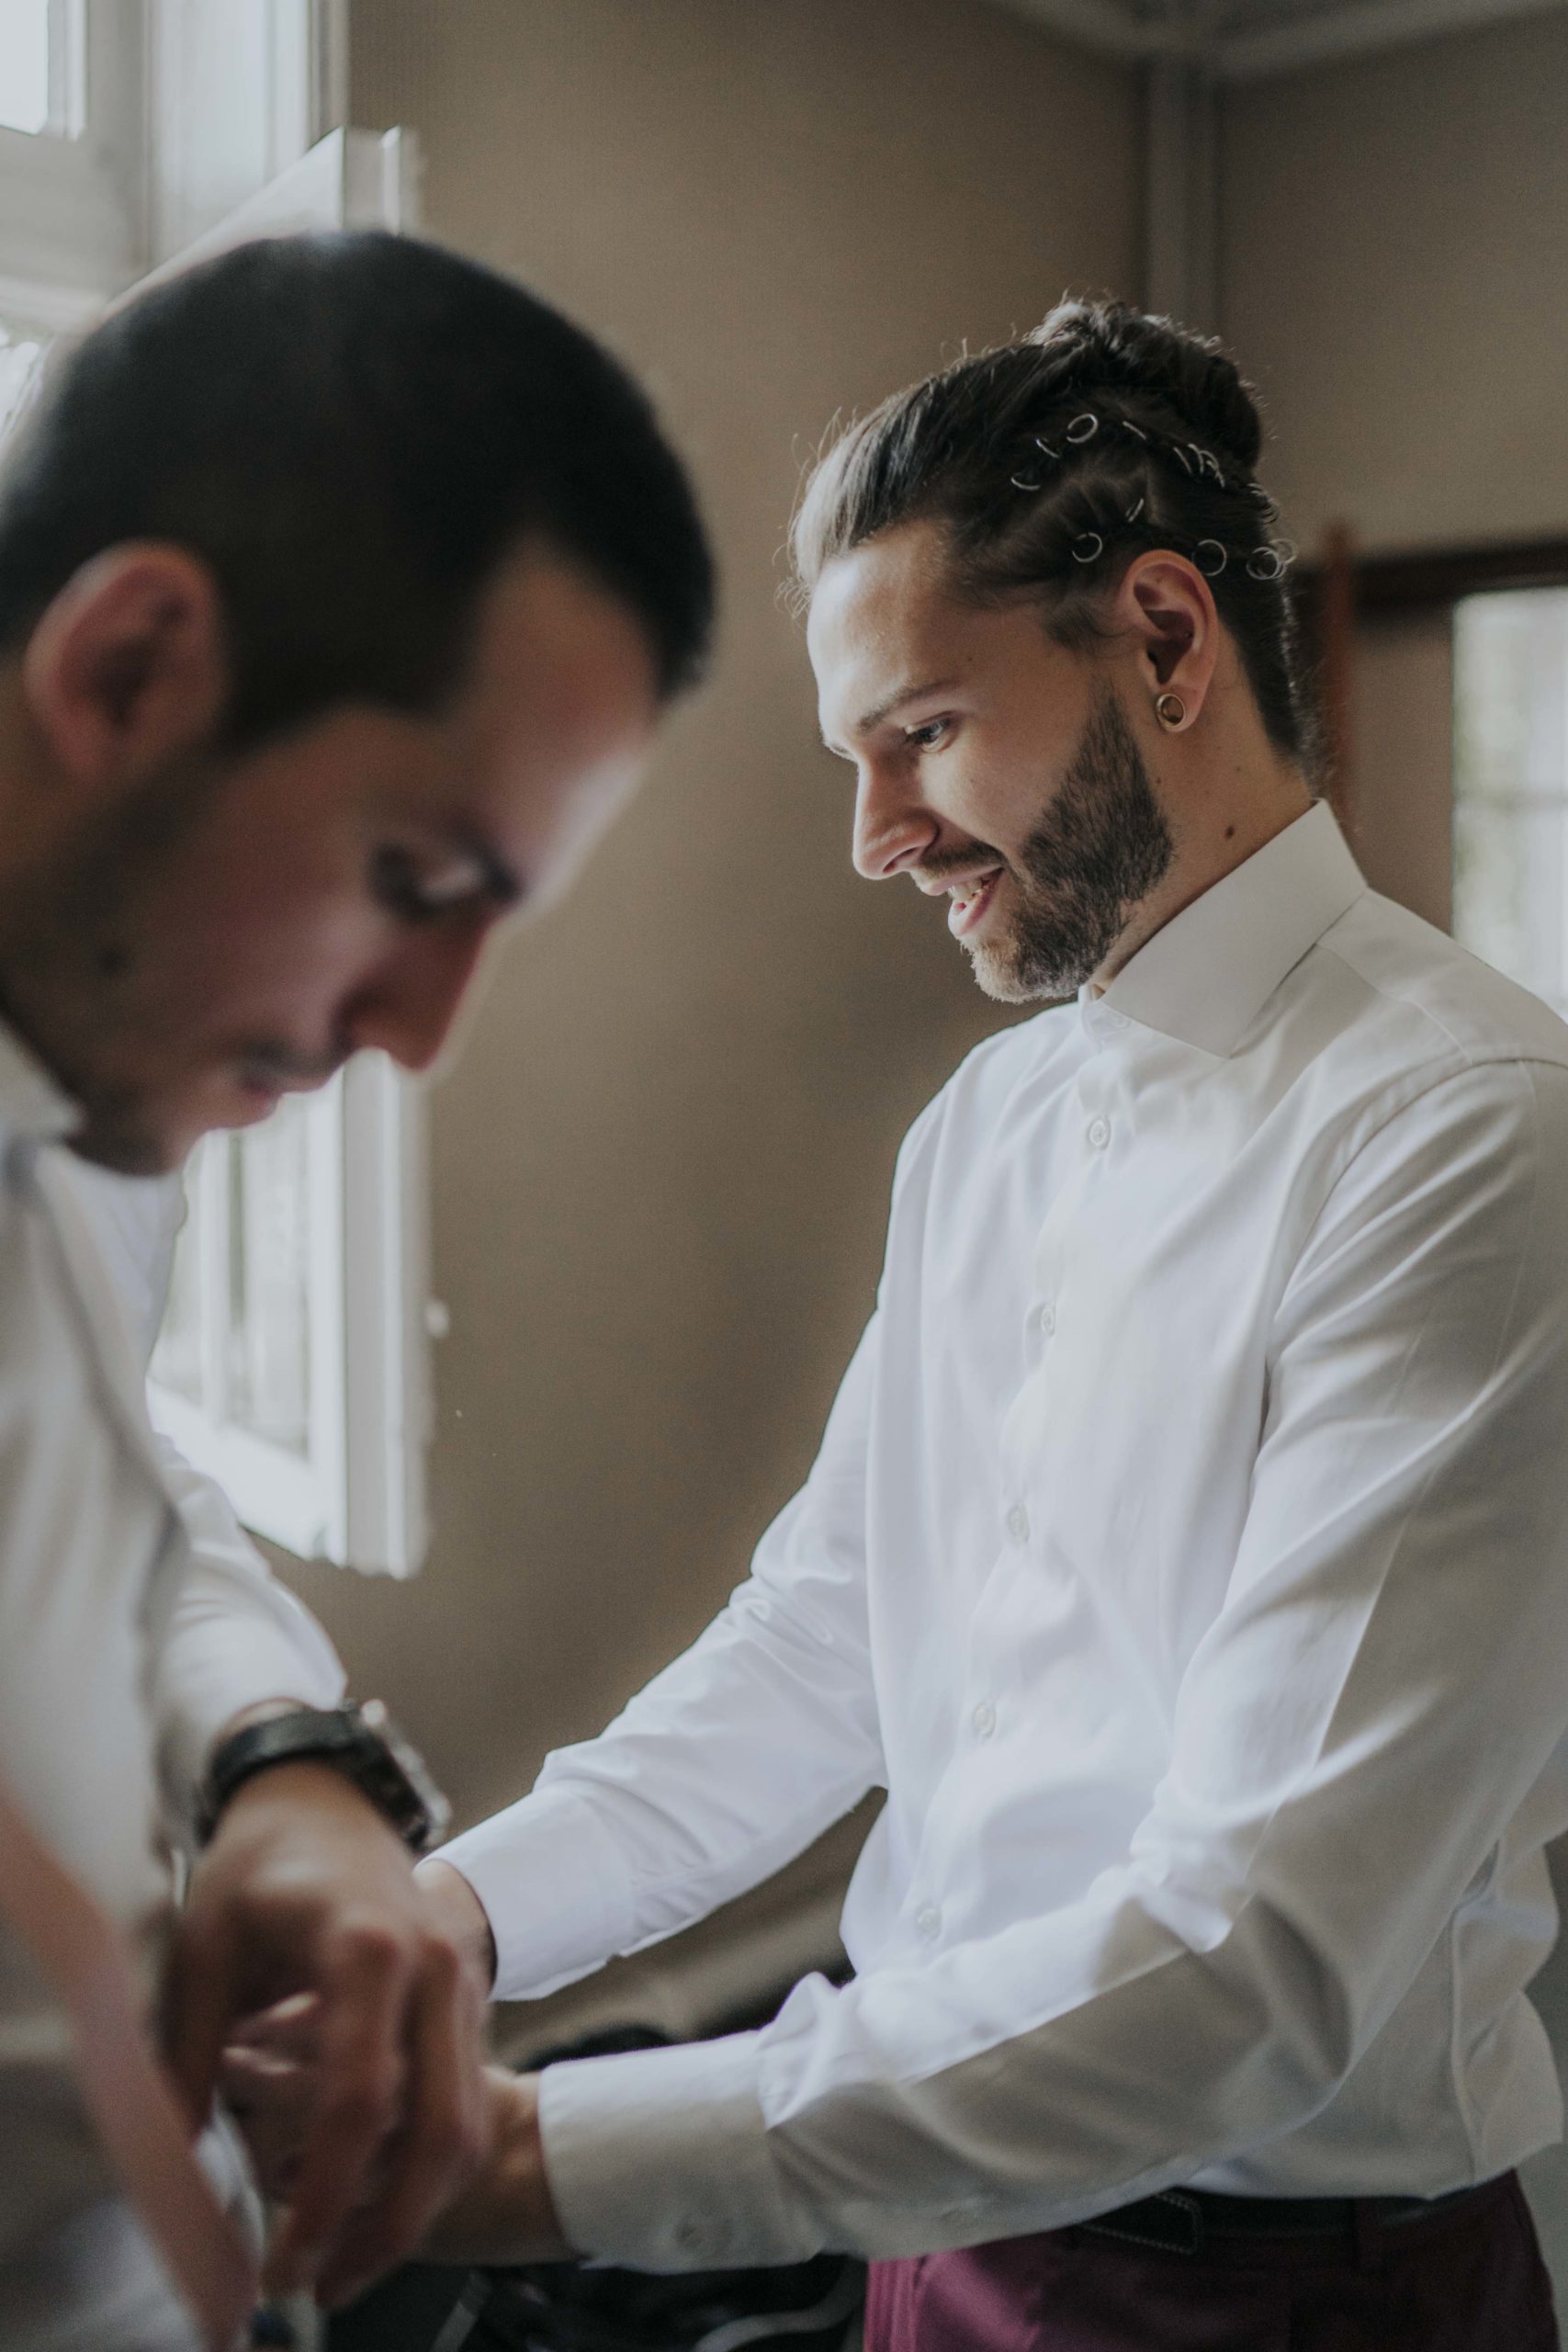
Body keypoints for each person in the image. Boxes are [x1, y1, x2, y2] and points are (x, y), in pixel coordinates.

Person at [291, 300, 1567, 2350]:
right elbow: (826, 1641)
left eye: (921, 733)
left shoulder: (1466, 1138)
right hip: (931, 2223)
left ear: (1163, 641)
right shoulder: (990, 1117)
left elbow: (1256, 1961)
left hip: (1272, 2296)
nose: (875, 832)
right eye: (855, 755)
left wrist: (525, 2165)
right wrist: (451, 1917)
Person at [0, 227, 713, 2349]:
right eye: (414, 882)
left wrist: (279, 1762)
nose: (418, 1029)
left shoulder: (91, 1086)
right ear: (127, 669)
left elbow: (122, 1512)